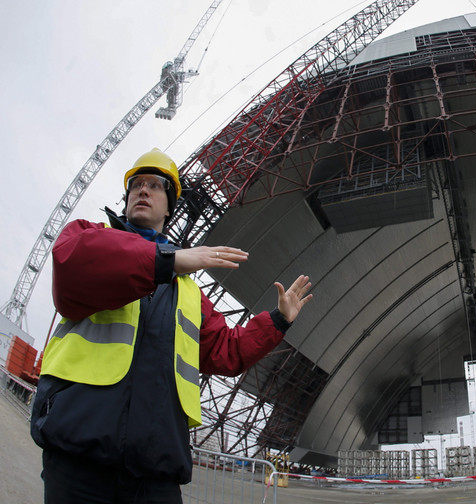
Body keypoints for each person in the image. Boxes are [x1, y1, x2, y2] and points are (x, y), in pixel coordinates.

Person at [30, 148, 313, 503]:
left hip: (155, 470)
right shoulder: (89, 235)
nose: (143, 190)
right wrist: (167, 261)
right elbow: (73, 266)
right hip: (79, 457)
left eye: (156, 185)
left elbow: (226, 352)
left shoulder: (189, 292)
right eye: (136, 185)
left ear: (170, 206)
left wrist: (278, 320)